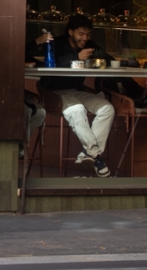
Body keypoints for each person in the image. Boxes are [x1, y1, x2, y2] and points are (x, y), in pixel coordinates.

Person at [38, 14, 114, 178]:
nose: (85, 38)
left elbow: (108, 59)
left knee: (107, 108)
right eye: (81, 34)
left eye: (88, 35)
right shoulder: (56, 43)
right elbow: (49, 63)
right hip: (54, 92)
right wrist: (76, 58)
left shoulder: (90, 45)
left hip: (79, 90)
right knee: (77, 109)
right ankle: (96, 157)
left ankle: (90, 153)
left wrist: (100, 60)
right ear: (70, 32)